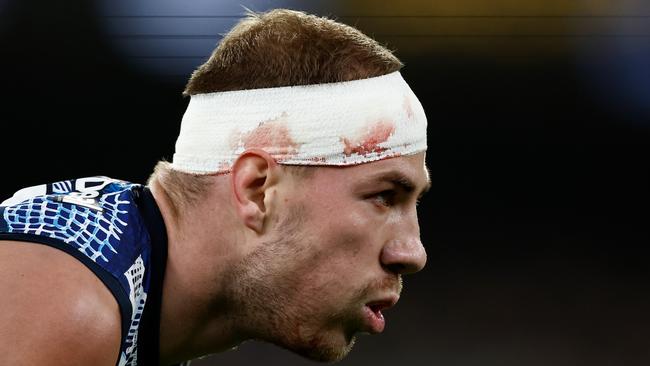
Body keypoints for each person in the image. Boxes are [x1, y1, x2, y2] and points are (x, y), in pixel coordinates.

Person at [0, 8, 429, 366]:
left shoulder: (118, 283)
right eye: (383, 196)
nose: (412, 254)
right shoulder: (71, 307)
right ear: (258, 190)